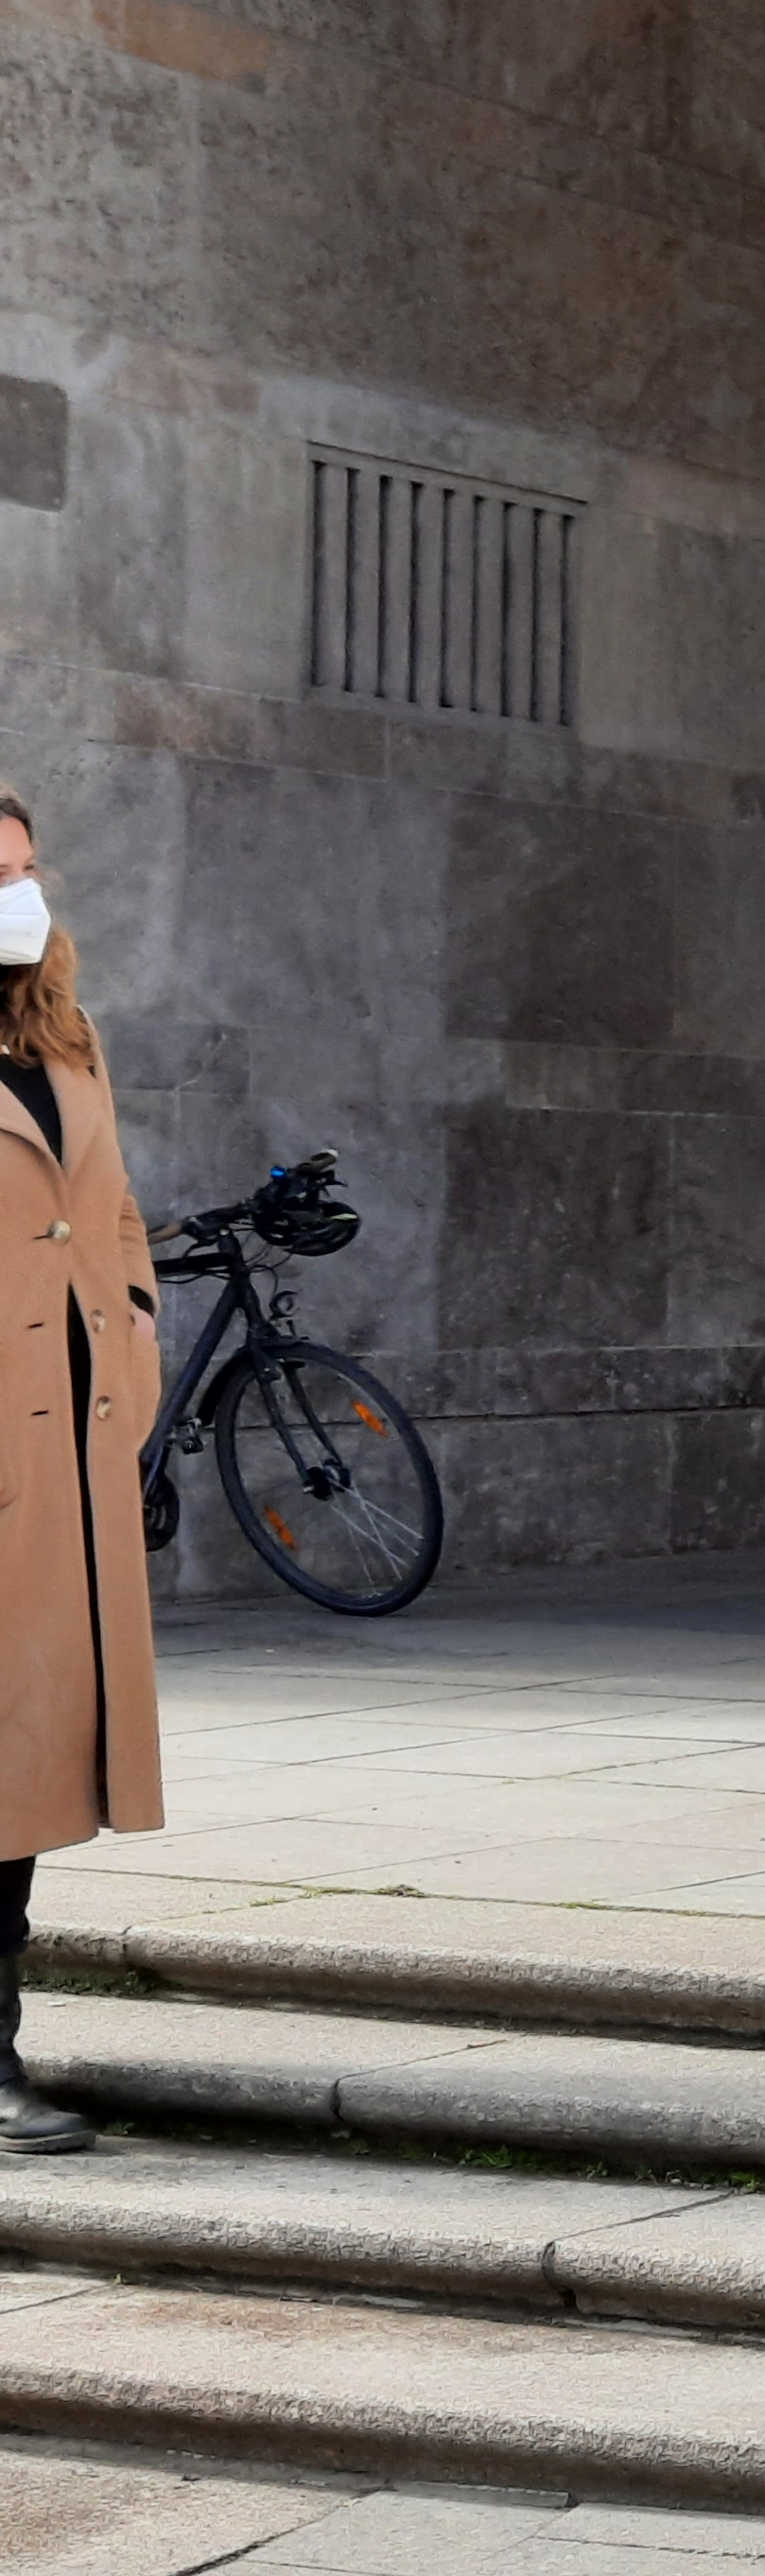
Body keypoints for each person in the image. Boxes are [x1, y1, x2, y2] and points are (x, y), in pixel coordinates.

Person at [0, 784, 164, 2154]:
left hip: (64, 1469)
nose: (22, 893)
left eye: (28, 867)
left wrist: (140, 1342)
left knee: (28, 1777)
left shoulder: (65, 1035)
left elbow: (109, 1209)